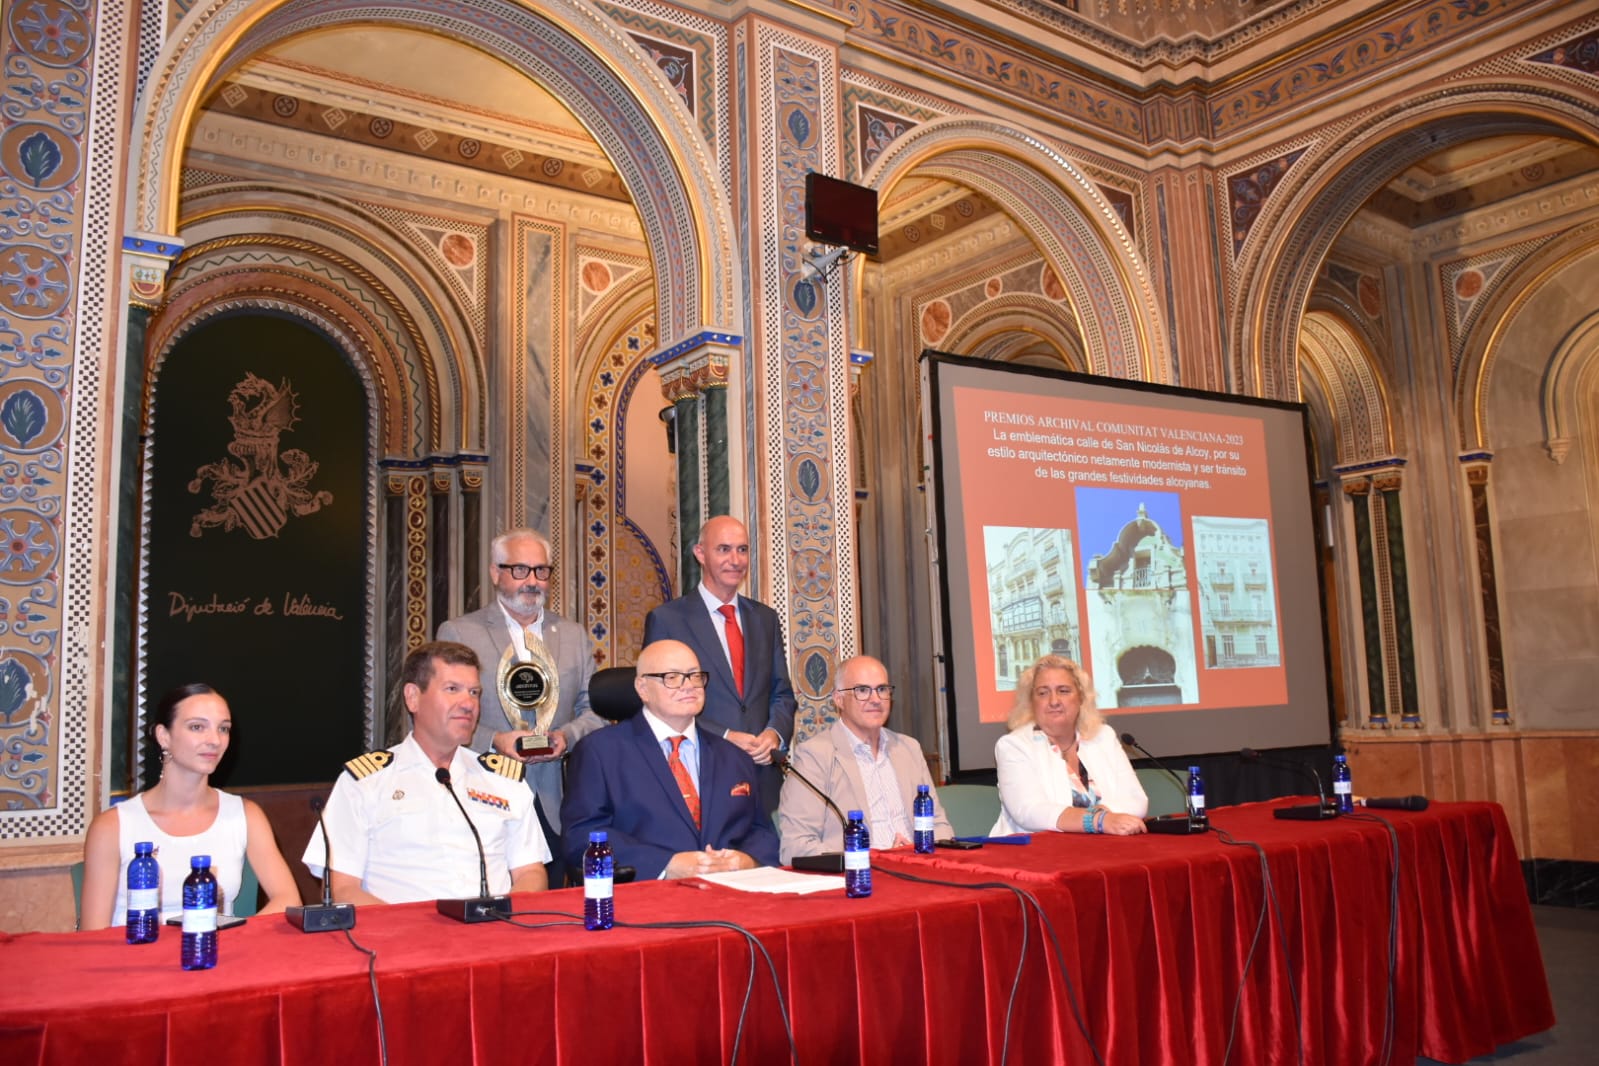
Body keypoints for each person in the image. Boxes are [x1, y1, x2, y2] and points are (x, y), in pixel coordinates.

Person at [303, 641, 550, 904]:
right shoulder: (364, 782)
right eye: (452, 689)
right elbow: (341, 889)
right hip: (401, 928)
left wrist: (503, 917)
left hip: (495, 926)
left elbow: (531, 873)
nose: (468, 704)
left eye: (474, 692)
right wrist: (409, 926)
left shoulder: (503, 780)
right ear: (413, 697)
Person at [437, 527, 601, 875]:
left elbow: (594, 711)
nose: (532, 581)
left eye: (541, 571)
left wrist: (566, 737)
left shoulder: (572, 635)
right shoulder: (460, 633)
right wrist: (495, 740)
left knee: (551, 902)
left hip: (555, 801)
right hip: (485, 797)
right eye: (520, 570)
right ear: (495, 572)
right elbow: (442, 717)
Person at [80, 684, 300, 929]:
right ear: (164, 736)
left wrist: (236, 936)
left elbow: (288, 899)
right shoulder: (113, 826)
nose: (214, 740)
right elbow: (93, 932)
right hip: (135, 950)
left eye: (223, 729)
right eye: (197, 727)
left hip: (216, 948)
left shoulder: (245, 815)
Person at [560, 639, 780, 880]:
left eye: (695, 676)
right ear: (642, 688)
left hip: (731, 890)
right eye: (672, 677)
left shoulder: (734, 757)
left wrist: (747, 860)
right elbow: (581, 836)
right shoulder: (600, 752)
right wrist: (666, 865)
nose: (689, 686)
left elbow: (762, 833)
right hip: (647, 894)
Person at [642, 515, 795, 811]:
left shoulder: (765, 618)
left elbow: (782, 693)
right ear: (700, 553)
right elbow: (658, 704)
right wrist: (725, 736)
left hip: (762, 779)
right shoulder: (668, 619)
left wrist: (774, 734)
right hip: (700, 773)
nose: (735, 560)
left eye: (742, 550)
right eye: (724, 549)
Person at [778, 655, 954, 863]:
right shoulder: (815, 757)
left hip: (918, 867)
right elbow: (795, 847)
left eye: (882, 689)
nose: (875, 699)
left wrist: (918, 851)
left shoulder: (908, 749)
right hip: (860, 875)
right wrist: (873, 859)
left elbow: (939, 826)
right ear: (839, 699)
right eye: (862, 690)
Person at [991, 655, 1148, 837]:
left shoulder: (1104, 737)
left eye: (1064, 691)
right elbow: (1029, 811)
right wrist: (1097, 821)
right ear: (1031, 701)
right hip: (1034, 849)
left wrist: (1103, 814)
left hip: (1102, 847)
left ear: (1081, 697)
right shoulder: (1014, 746)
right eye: (1042, 693)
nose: (1054, 701)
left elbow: (1137, 800)